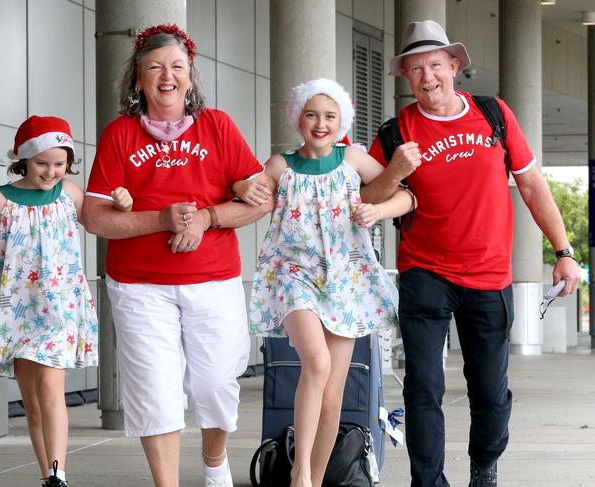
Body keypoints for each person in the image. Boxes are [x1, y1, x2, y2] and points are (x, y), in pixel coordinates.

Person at [361, 20, 581, 487]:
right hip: (424, 272)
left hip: (489, 276)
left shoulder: (494, 114)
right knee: (424, 388)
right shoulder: (395, 131)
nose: (427, 77)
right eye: (416, 69)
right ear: (406, 77)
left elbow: (531, 184)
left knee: (491, 394)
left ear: (454, 66)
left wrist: (563, 250)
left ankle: (484, 466)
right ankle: (429, 482)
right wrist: (396, 169)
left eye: (435, 65)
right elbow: (368, 199)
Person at [82, 24, 268, 487]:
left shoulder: (218, 126)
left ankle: (213, 463)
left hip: (214, 279)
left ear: (191, 75)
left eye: (177, 67)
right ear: (138, 80)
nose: (167, 76)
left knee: (215, 384)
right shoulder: (120, 134)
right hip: (139, 286)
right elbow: (95, 217)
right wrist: (161, 219)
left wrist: (206, 218)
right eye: (154, 68)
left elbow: (261, 199)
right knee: (155, 393)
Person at [237, 78, 416, 487]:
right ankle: (299, 472)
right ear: (298, 118)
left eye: (330, 116)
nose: (320, 123)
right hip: (294, 276)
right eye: (312, 114)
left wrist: (379, 210)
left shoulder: (353, 158)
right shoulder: (280, 165)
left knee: (334, 392)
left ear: (341, 121)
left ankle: (315, 480)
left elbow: (407, 195)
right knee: (315, 363)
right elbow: (247, 195)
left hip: (346, 280)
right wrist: (242, 188)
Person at [0, 115, 131, 487]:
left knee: (51, 388)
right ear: (23, 158)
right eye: (42, 163)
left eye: (60, 164)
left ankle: (59, 475)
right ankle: (48, 476)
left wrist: (122, 202)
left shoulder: (70, 193)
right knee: (34, 405)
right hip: (16, 311)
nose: (51, 172)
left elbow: (101, 222)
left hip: (60, 309)